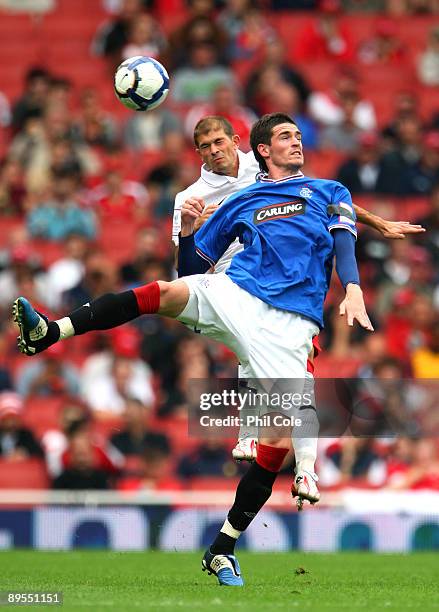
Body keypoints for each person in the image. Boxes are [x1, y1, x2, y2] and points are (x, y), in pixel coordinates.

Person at [10, 114, 414, 585]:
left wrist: (354, 286)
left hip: (288, 323)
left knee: (276, 443)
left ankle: (223, 547)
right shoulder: (241, 200)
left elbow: (345, 238)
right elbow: (191, 267)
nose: (297, 141)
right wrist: (187, 233)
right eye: (286, 136)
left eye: (299, 135)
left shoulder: (329, 191)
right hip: (237, 294)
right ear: (263, 149)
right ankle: (51, 332)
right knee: (164, 291)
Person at [171, 115, 425, 471]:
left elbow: (323, 199)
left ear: (235, 141)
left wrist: (377, 223)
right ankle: (271, 448)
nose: (215, 151)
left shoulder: (257, 169)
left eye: (220, 142)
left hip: (267, 269)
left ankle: (297, 464)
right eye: (206, 147)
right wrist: (193, 227)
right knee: (254, 354)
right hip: (224, 274)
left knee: (292, 369)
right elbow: (189, 264)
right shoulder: (189, 198)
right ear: (198, 153)